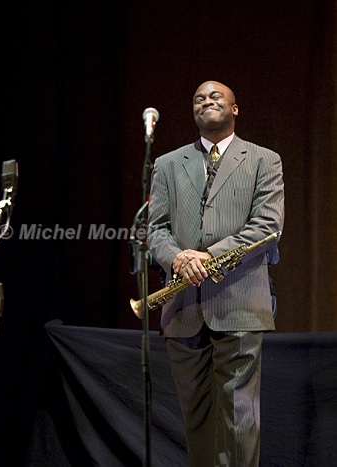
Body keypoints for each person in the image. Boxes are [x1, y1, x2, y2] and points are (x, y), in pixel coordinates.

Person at [146, 81, 284, 466]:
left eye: (215, 96)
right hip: (184, 307)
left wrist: (207, 257)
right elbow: (154, 229)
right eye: (198, 98)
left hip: (240, 302)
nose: (206, 100)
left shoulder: (263, 160)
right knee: (197, 420)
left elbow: (267, 226)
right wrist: (178, 259)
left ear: (235, 109)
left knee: (239, 419)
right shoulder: (168, 164)